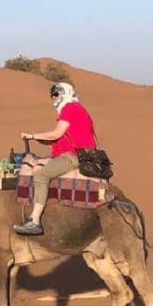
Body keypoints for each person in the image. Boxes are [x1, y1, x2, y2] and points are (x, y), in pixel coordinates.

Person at [13, 81, 99, 236]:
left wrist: (32, 136)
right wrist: (42, 139)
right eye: (52, 95)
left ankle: (35, 221)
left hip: (74, 156)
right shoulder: (77, 110)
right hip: (72, 154)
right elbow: (61, 138)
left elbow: (56, 134)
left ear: (63, 94)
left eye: (55, 95)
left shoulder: (70, 109)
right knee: (37, 163)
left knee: (41, 175)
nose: (53, 98)